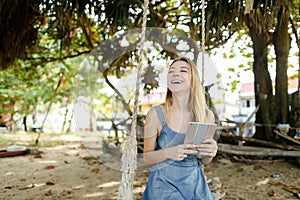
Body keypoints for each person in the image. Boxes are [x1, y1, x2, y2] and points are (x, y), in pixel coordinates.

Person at [141, 57, 218, 200]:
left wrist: (211, 152)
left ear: (193, 80)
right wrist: (169, 152)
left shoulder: (206, 116)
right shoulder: (156, 114)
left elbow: (204, 160)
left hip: (195, 184)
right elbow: (147, 157)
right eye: (171, 72)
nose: (175, 74)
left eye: (183, 70)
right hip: (163, 184)